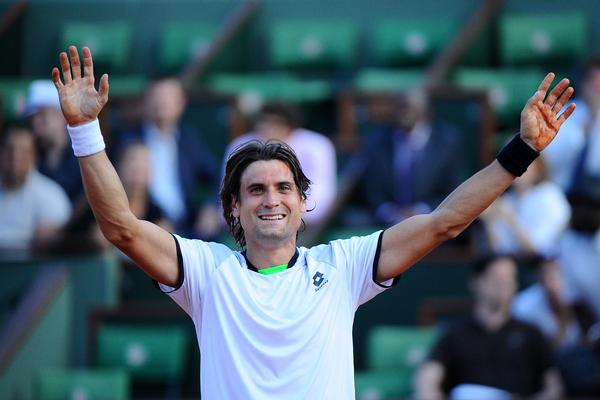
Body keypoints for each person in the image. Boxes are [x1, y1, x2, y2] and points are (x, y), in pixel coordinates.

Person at [51, 46, 575, 398]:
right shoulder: (206, 271)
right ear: (233, 207)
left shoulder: (343, 264)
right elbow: (120, 227)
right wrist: (84, 133)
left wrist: (523, 149)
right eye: (255, 189)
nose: (271, 199)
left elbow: (444, 223)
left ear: (304, 203)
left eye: (284, 188)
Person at [414, 256, 563, 400]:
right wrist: (429, 392)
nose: (504, 285)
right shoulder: (455, 334)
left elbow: (553, 386)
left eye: (510, 278)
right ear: (476, 281)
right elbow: (429, 377)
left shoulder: (531, 333)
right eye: (496, 278)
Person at [114, 76, 220, 238]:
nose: (161, 103)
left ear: (181, 103)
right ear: (145, 102)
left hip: (186, 225)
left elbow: (218, 175)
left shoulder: (188, 140)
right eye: (156, 97)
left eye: (168, 97)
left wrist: (212, 206)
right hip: (145, 223)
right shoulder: (128, 140)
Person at [357, 89, 463, 225]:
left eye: (410, 107)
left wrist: (420, 211)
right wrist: (390, 212)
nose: (405, 113)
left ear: (425, 109)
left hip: (433, 219)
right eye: (400, 107)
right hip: (387, 222)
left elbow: (452, 188)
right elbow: (372, 190)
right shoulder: (376, 141)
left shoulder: (446, 141)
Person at [224, 102, 337, 227]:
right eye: (264, 121)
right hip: (251, 221)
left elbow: (320, 201)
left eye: (276, 122)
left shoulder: (317, 145)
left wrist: (283, 216)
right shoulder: (239, 146)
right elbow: (228, 195)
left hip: (304, 223)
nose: (268, 127)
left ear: (290, 126)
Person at [479, 156, 571, 256]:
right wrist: (489, 221)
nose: (515, 167)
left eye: (523, 162)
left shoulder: (549, 194)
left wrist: (510, 218)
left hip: (547, 265)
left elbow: (537, 248)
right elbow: (501, 250)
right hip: (514, 265)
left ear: (537, 167)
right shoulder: (506, 200)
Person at [0, 126, 71, 252]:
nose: (15, 158)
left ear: (34, 157)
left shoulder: (52, 196)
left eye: (23, 151)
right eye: (9, 149)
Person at [26, 79, 83, 202]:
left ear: (62, 114)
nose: (36, 122)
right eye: (32, 118)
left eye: (43, 114)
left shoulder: (83, 152)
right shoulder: (29, 155)